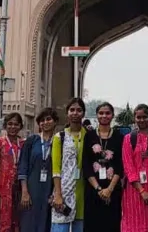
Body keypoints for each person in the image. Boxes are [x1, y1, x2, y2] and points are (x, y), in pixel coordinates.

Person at [83, 102, 123, 232]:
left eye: (107, 113)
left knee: (112, 225)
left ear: (112, 116)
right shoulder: (89, 136)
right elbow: (86, 164)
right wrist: (99, 189)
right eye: (101, 113)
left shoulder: (119, 137)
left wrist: (109, 190)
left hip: (113, 190)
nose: (104, 116)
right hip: (93, 190)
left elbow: (120, 165)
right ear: (96, 115)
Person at [122, 104, 148, 232]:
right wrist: (142, 191)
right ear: (134, 118)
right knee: (134, 225)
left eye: (145, 117)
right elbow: (128, 167)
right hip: (134, 191)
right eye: (138, 117)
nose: (141, 120)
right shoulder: (129, 139)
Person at [18, 107, 57, 232]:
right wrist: (24, 192)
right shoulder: (32, 141)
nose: (45, 122)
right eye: (42, 120)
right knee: (29, 222)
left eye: (48, 119)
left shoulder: (58, 141)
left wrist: (56, 192)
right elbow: (23, 166)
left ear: (55, 121)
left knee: (46, 222)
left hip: (49, 189)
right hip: (32, 188)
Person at [52, 97, 87, 232]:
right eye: (72, 110)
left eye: (79, 110)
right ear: (67, 113)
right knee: (60, 228)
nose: (75, 113)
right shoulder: (59, 137)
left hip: (83, 192)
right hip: (64, 192)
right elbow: (56, 168)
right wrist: (58, 194)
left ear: (83, 113)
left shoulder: (89, 136)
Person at [0, 112, 25, 232]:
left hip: (18, 193)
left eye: (16, 124)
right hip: (1, 193)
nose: (13, 127)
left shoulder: (24, 144)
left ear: (20, 126)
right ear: (5, 125)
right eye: (10, 124)